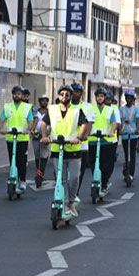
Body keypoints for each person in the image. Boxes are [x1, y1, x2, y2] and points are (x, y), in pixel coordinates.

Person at [40, 85, 91, 217]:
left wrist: (79, 137)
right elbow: (44, 123)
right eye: (62, 94)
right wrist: (45, 136)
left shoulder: (76, 110)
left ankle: (72, 202)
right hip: (57, 149)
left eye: (67, 95)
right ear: (58, 96)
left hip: (73, 149)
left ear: (71, 96)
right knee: (60, 179)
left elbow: (84, 124)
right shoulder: (52, 110)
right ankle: (64, 201)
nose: (64, 97)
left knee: (74, 178)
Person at [0, 85, 36, 191]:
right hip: (10, 137)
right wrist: (1, 128)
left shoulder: (26, 107)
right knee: (12, 159)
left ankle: (23, 181)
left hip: (22, 138)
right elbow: (2, 119)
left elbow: (30, 120)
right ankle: (13, 176)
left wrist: (28, 129)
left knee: (22, 160)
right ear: (13, 95)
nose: (17, 95)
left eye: (19, 94)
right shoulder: (7, 106)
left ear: (22, 95)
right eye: (15, 94)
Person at [88, 88, 120, 196]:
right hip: (93, 140)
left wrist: (111, 131)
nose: (100, 98)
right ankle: (97, 180)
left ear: (105, 98)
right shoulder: (92, 109)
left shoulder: (110, 110)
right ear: (95, 97)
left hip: (106, 140)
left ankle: (105, 183)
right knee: (93, 163)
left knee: (106, 165)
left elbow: (114, 122)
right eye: (98, 96)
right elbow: (89, 123)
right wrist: (86, 134)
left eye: (102, 96)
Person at [71, 83, 95, 194]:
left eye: (77, 91)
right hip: (68, 144)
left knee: (78, 174)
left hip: (82, 145)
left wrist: (85, 135)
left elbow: (89, 122)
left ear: (81, 93)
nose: (74, 94)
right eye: (73, 91)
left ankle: (75, 193)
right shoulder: (65, 105)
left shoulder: (87, 107)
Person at [119, 90, 139, 182]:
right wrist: (120, 131)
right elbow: (119, 120)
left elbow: (138, 119)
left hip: (133, 134)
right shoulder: (121, 109)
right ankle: (126, 168)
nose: (128, 100)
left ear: (132, 99)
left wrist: (137, 129)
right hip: (125, 134)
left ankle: (131, 173)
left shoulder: (136, 109)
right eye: (127, 98)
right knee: (126, 153)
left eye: (130, 98)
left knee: (132, 154)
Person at [33, 94, 51, 184]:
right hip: (36, 137)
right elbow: (34, 122)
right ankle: (39, 173)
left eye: (46, 100)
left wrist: (48, 133)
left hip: (46, 137)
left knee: (44, 156)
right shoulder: (36, 112)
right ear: (40, 102)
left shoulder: (50, 112)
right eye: (42, 100)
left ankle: (40, 174)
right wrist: (32, 130)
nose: (44, 102)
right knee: (37, 156)